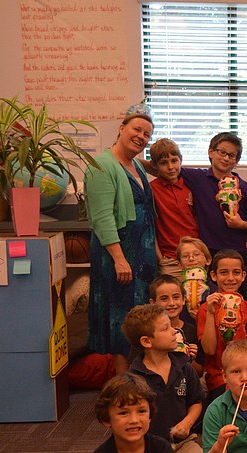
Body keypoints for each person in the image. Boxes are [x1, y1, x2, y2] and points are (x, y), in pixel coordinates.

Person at [85, 109, 157, 376]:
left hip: (142, 256)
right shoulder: (101, 165)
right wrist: (119, 258)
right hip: (120, 255)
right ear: (122, 127)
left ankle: (138, 381)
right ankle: (122, 386)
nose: (141, 137)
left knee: (141, 318)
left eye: (147, 134)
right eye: (136, 129)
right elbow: (102, 217)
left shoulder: (135, 164)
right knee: (121, 319)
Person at [124, 304, 206, 453]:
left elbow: (196, 402)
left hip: (183, 444)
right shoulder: (134, 379)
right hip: (147, 449)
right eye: (166, 328)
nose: (174, 331)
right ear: (147, 341)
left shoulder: (185, 366)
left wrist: (188, 423)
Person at [179, 132, 247, 258]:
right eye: (222, 152)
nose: (226, 158)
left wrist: (242, 224)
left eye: (231, 155)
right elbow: (166, 168)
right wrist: (135, 162)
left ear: (237, 161)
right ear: (210, 152)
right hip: (208, 250)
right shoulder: (197, 178)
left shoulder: (245, 187)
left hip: (239, 251)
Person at [197, 250, 247, 400]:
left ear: (243, 276)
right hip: (219, 378)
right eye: (224, 273)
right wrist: (211, 313)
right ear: (213, 276)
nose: (230, 278)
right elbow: (209, 350)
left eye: (236, 273)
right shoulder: (206, 309)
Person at [148, 138, 199, 278]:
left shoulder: (191, 186)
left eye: (174, 161)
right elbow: (150, 227)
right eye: (163, 163)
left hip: (195, 257)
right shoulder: (151, 190)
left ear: (181, 160)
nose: (170, 167)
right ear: (154, 165)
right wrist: (160, 259)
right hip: (170, 259)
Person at [148, 274, 202, 376]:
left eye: (176, 297)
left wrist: (191, 359)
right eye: (164, 299)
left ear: (183, 300)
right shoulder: (147, 332)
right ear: (153, 302)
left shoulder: (192, 330)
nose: (171, 303)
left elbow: (199, 372)